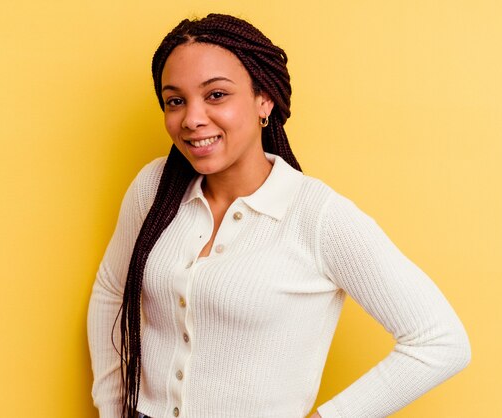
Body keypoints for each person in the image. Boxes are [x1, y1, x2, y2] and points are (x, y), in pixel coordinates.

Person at [87, 13, 471, 418]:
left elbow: (441, 340)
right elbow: (111, 291)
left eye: (216, 95)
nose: (192, 119)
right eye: (175, 101)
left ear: (263, 99)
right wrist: (112, 408)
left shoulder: (316, 216)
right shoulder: (154, 189)